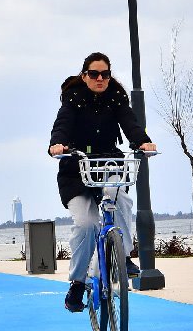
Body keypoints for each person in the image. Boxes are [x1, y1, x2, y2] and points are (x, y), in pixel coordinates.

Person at [49, 52, 157, 313]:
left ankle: (123, 256)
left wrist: (143, 141)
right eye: (94, 74)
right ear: (84, 75)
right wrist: (57, 144)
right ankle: (77, 283)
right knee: (86, 224)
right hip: (77, 170)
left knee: (122, 201)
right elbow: (62, 124)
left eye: (105, 74)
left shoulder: (116, 98)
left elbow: (130, 123)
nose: (100, 79)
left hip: (108, 165)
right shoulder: (73, 99)